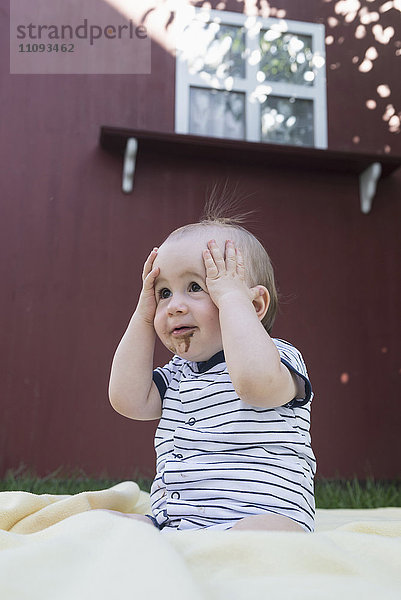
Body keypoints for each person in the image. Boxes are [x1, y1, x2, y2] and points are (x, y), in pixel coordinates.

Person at [108, 204, 316, 533]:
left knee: (271, 537)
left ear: (254, 305)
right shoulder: (177, 374)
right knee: (99, 526)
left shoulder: (277, 357)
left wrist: (233, 300)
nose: (174, 306)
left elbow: (254, 384)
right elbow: (126, 398)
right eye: (163, 293)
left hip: (258, 517)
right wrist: (143, 316)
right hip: (174, 522)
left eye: (195, 287)